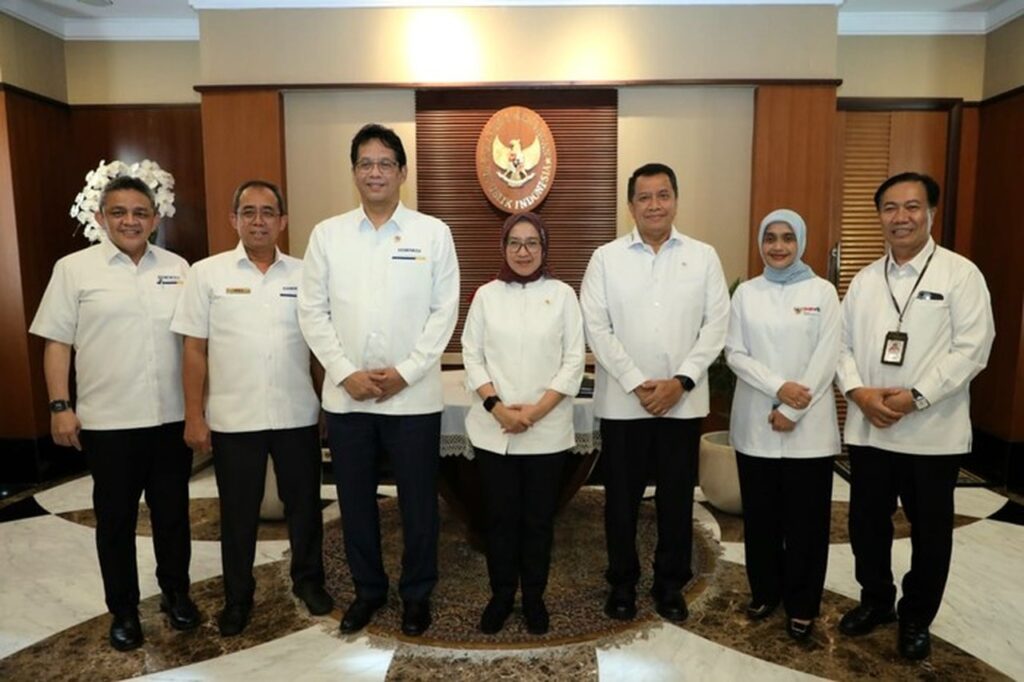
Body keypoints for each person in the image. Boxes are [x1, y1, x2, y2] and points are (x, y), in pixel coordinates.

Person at [298, 123, 460, 637]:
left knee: (418, 504)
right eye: (366, 163)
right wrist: (345, 373)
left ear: (402, 172)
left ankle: (417, 594)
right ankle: (368, 590)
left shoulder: (432, 233)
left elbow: (444, 312)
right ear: (354, 173)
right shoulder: (327, 235)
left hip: (413, 400)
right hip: (348, 400)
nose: (375, 172)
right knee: (355, 503)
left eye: (385, 163)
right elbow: (312, 311)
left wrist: (406, 372)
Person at [29, 175, 198, 651]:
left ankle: (176, 593)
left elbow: (194, 343)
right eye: (119, 212)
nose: (130, 221)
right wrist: (60, 406)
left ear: (155, 219)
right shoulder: (74, 269)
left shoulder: (179, 268)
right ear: (101, 218)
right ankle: (123, 610)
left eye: (140, 213)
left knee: (173, 516)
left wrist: (197, 410)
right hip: (108, 424)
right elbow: (57, 343)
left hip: (169, 420)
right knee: (116, 522)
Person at [835, 172, 995, 660]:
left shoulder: (960, 275)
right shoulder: (865, 280)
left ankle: (916, 617)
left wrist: (917, 396)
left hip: (931, 432)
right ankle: (876, 600)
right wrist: (858, 392)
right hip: (870, 428)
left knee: (930, 532)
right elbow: (840, 347)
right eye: (890, 208)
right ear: (879, 216)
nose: (900, 217)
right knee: (866, 524)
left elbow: (974, 348)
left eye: (911, 207)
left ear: (931, 213)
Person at [170, 180, 332, 637]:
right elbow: (194, 349)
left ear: (283, 221)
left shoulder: (306, 274)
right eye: (248, 212)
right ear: (234, 219)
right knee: (238, 514)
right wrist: (194, 415)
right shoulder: (206, 274)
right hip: (234, 418)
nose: (258, 221)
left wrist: (326, 405)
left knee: (305, 507)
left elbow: (319, 349)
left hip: (297, 413)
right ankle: (238, 597)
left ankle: (309, 581)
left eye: (267, 212)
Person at [580, 162, 730, 623]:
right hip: (624, 404)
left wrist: (680, 381)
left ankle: (670, 584)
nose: (654, 205)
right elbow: (596, 326)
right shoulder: (606, 258)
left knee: (676, 499)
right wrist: (636, 382)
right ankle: (622, 584)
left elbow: (716, 325)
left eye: (663, 195)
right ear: (631, 206)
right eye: (644, 197)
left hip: (682, 404)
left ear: (675, 201)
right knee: (621, 501)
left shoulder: (703, 257)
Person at [461, 212, 585, 636]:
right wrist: (498, 408)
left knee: (537, 522)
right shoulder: (485, 295)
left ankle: (533, 598)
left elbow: (573, 361)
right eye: (515, 242)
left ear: (544, 248)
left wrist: (534, 413)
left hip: (546, 432)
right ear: (503, 247)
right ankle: (500, 596)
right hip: (493, 430)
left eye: (532, 242)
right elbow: (472, 355)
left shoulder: (563, 295)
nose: (523, 251)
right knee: (499, 520)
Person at [725, 209, 841, 642]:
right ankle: (765, 592)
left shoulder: (822, 292)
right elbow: (735, 353)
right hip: (756, 424)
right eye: (770, 238)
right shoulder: (746, 294)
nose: (778, 246)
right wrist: (778, 387)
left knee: (807, 523)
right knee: (761, 519)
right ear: (761, 243)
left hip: (808, 429)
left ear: (801, 242)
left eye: (787, 238)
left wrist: (792, 408)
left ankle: (803, 603)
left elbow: (827, 356)